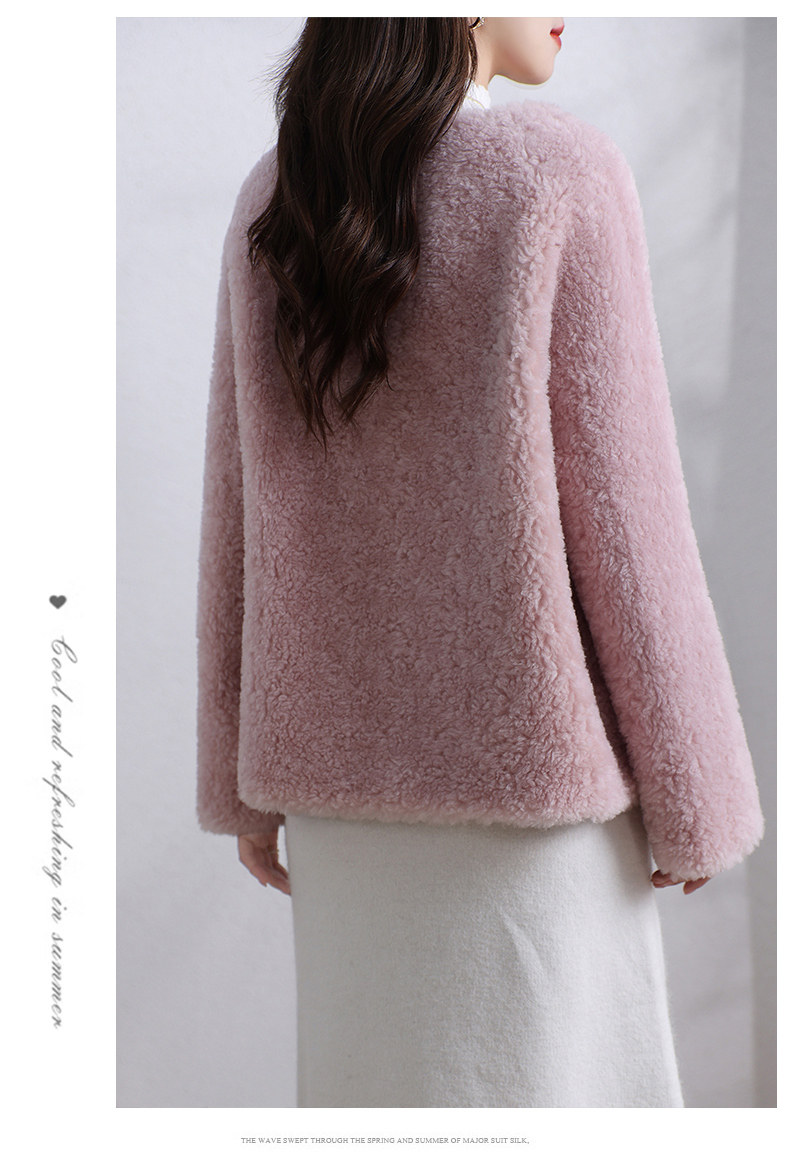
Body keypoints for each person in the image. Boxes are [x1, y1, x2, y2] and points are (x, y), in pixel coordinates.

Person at [195, 18, 765, 1107]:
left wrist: (239, 784)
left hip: (342, 825)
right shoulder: (557, 171)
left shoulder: (277, 193)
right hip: (533, 825)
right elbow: (628, 511)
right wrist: (697, 790)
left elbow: (240, 506)